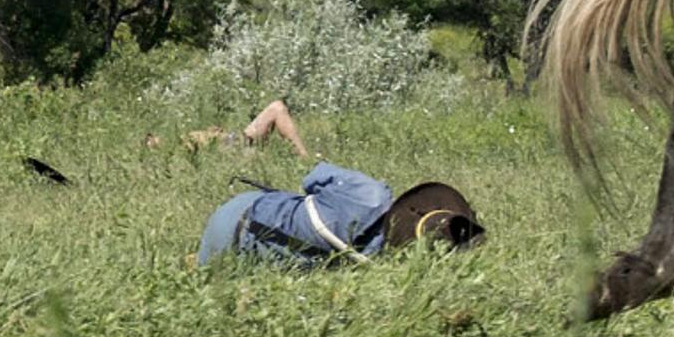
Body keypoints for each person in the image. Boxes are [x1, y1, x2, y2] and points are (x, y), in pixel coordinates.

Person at [189, 100, 484, 267]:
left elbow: (311, 178)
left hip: (241, 212)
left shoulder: (370, 195)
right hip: (250, 254)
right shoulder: (377, 264)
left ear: (417, 206)